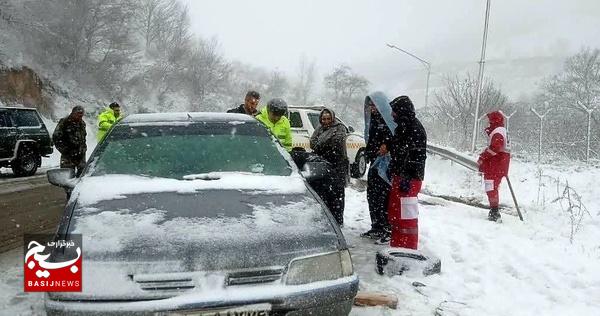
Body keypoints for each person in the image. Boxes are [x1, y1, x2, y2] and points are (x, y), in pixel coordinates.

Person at [386, 95, 427, 249]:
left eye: (394, 111)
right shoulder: (403, 127)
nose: (392, 115)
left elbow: (416, 156)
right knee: (396, 215)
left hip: (409, 180)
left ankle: (408, 250)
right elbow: (399, 149)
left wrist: (407, 176)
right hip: (401, 177)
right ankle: (397, 246)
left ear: (402, 111)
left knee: (407, 218)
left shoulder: (415, 129)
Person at [360, 92, 396, 240]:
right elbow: (371, 140)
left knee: (384, 196)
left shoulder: (390, 121)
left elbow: (396, 138)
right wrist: (369, 153)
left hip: (386, 165)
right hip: (375, 163)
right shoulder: (372, 121)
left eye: (374, 105)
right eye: (370, 105)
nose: (372, 108)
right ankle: (376, 226)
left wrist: (388, 145)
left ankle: (386, 227)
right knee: (372, 196)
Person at [310, 108, 348, 225]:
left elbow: (335, 144)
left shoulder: (339, 128)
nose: (326, 121)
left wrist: (320, 145)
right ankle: (326, 219)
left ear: (332, 118)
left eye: (328, 119)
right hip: (323, 165)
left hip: (337, 166)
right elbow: (312, 143)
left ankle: (337, 220)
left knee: (337, 195)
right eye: (323, 119)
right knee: (324, 193)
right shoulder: (319, 129)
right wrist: (322, 145)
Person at [478, 111, 510, 222]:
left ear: (494, 121)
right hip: (499, 164)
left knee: (491, 187)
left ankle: (494, 212)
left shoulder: (497, 132)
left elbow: (495, 147)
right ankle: (494, 210)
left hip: (495, 165)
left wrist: (483, 157)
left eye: (490, 121)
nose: (488, 123)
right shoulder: (501, 131)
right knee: (491, 187)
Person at [53, 106, 87, 178]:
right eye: (78, 113)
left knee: (82, 177)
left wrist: (83, 148)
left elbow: (83, 138)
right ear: (73, 113)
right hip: (68, 155)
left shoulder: (82, 124)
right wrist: (64, 150)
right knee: (67, 177)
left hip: (80, 155)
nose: (80, 116)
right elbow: (56, 137)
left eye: (81, 114)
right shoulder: (64, 122)